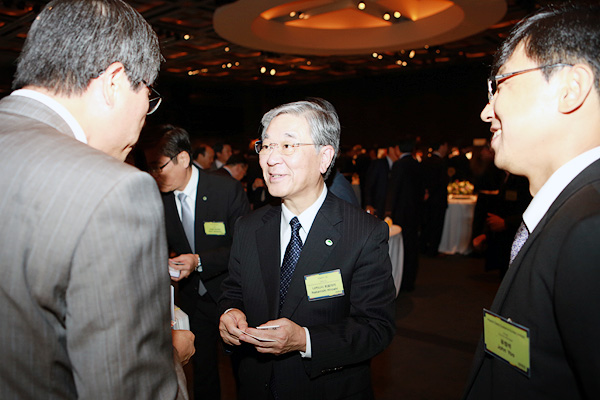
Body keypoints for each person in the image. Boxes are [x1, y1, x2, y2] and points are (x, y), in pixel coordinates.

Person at [0, 0, 192, 399]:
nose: (144, 121)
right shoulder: (114, 189)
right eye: (148, 98)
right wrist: (169, 355)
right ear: (114, 82)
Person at [463, 4, 600, 399]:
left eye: (500, 84)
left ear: (570, 89)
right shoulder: (570, 211)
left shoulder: (590, 228)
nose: (487, 111)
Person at [219, 98, 396, 400]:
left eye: (287, 146)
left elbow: (376, 328)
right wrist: (230, 312)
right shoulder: (249, 227)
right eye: (265, 145)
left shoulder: (364, 233)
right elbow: (234, 289)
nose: (271, 159)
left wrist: (304, 340)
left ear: (324, 157)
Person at [145, 125, 250, 400]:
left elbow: (244, 248)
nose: (155, 175)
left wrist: (199, 261)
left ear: (182, 158)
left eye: (159, 167)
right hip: (193, 299)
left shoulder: (225, 188)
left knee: (245, 370)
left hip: (231, 296)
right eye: (151, 169)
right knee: (202, 372)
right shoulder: (160, 198)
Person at [385, 137, 424, 292]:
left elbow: (392, 191)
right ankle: (409, 281)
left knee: (402, 246)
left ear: (398, 149)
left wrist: (388, 212)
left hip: (400, 213)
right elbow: (421, 191)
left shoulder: (398, 165)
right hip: (415, 212)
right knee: (412, 246)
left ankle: (399, 281)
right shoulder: (417, 164)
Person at [420, 140, 449, 257]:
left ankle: (422, 247)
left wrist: (426, 192)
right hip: (438, 200)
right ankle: (432, 250)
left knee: (426, 224)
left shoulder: (425, 161)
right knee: (437, 226)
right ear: (441, 145)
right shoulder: (441, 163)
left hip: (426, 200)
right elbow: (441, 182)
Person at [363, 143, 399, 218]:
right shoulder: (378, 163)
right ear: (391, 149)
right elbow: (369, 185)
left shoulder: (399, 166)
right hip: (377, 207)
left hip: (392, 209)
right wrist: (368, 204)